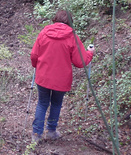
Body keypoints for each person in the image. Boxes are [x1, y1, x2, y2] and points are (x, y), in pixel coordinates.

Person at [30, 10, 94, 143]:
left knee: (42, 103)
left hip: (43, 76)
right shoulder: (72, 37)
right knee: (56, 104)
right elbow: (80, 61)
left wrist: (36, 65)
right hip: (61, 79)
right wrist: (90, 53)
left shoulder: (44, 33)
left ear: (55, 19)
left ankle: (36, 134)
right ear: (70, 21)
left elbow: (34, 55)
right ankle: (51, 131)